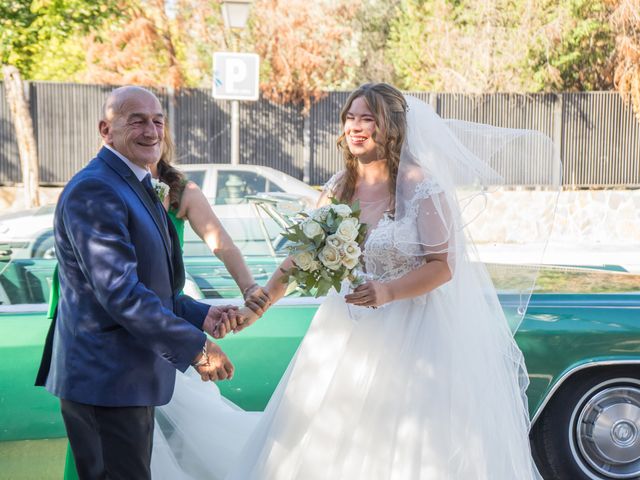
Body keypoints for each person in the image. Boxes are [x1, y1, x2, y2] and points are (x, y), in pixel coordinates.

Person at [152, 83, 556, 479]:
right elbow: (301, 259)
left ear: (392, 129)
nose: (356, 126)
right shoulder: (339, 188)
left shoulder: (420, 186)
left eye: (368, 118)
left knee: (404, 441)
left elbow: (441, 265)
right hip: (343, 331)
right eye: (350, 117)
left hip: (413, 334)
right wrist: (257, 306)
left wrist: (388, 290)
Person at [34, 86, 247, 480]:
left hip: (127, 379)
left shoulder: (136, 183)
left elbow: (152, 284)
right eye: (137, 121)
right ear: (106, 129)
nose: (151, 131)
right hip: (105, 380)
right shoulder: (95, 189)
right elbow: (120, 293)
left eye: (158, 121)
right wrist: (196, 347)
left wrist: (201, 313)